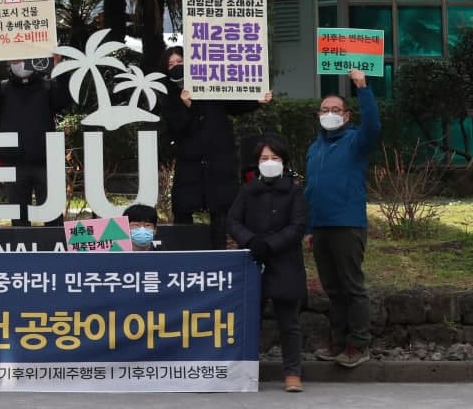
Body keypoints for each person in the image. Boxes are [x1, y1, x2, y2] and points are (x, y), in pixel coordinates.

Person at [158, 46, 271, 248]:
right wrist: (186, 106)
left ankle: (218, 256)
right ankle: (185, 259)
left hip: (219, 162)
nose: (176, 67)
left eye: (180, 62)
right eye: (171, 65)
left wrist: (257, 100)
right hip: (190, 164)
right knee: (183, 210)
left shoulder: (211, 84)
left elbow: (234, 104)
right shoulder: (168, 96)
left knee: (220, 212)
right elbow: (174, 128)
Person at [306, 69, 379, 369]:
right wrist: (309, 228)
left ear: (347, 116)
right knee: (333, 290)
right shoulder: (314, 148)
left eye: (336, 110)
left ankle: (358, 345)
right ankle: (338, 341)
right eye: (325, 110)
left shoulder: (355, 141)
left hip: (347, 225)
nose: (330, 114)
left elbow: (373, 126)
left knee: (352, 287)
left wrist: (362, 87)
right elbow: (311, 190)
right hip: (320, 228)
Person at [228, 135, 308, 392]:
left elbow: (297, 226)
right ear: (256, 163)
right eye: (264, 158)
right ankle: (245, 372)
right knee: (250, 320)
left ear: (284, 162)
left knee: (289, 323)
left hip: (286, 263)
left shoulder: (295, 192)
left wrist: (271, 244)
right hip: (253, 263)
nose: (270, 162)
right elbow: (233, 222)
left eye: (275, 158)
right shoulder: (247, 191)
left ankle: (293, 373)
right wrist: (251, 241)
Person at [0, 48, 72, 226]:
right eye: (14, 60)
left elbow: (65, 99)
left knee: (53, 221)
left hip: (46, 163)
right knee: (19, 222)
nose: (19, 63)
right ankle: (21, 254)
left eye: (24, 58)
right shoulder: (3, 88)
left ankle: (58, 253)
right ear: (8, 63)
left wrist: (59, 68)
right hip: (14, 165)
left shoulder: (47, 86)